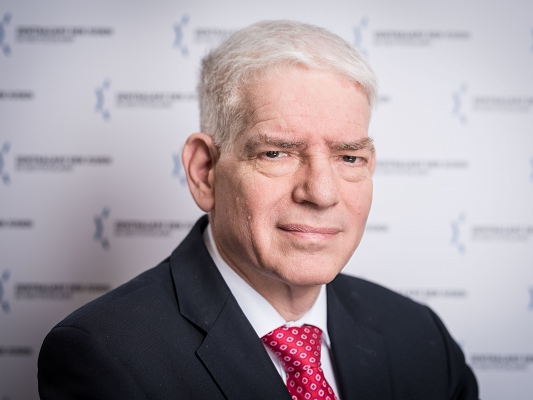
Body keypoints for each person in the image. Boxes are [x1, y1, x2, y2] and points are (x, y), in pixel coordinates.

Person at [38, 20, 479, 399]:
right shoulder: (105, 356)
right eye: (276, 153)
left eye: (349, 157)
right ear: (205, 171)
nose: (322, 193)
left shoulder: (421, 338)